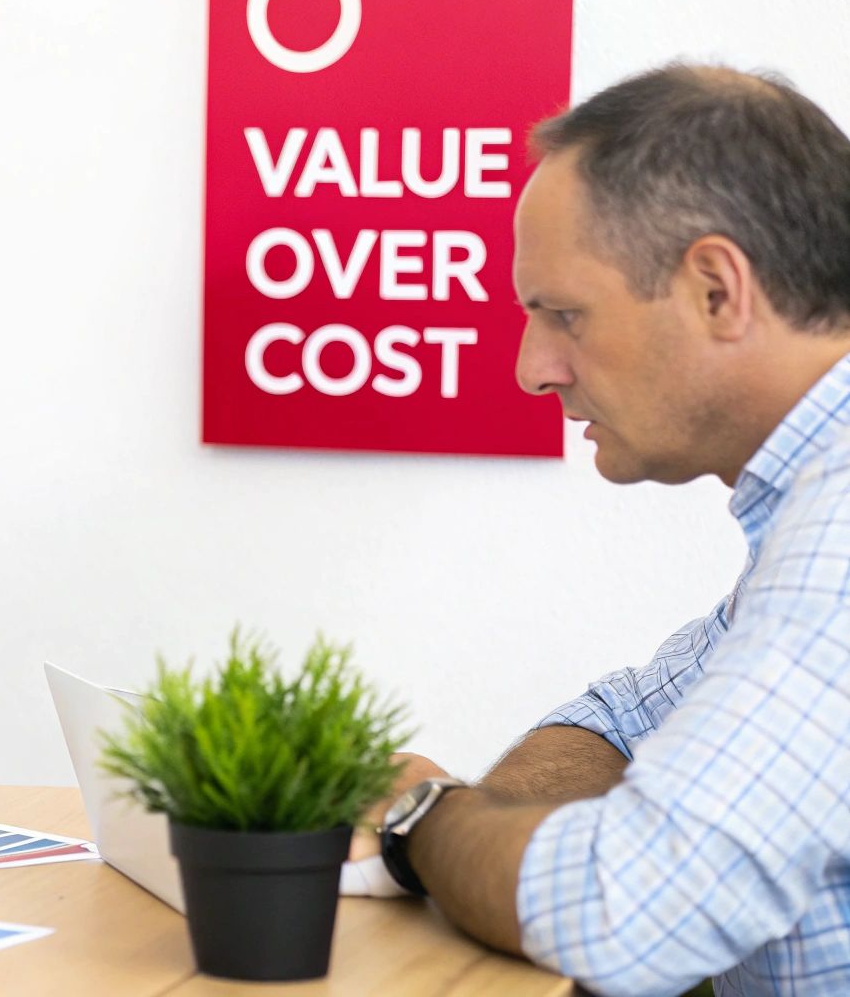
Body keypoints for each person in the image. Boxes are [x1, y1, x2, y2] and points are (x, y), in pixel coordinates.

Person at [361, 64, 850, 997]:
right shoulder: (807, 508)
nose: (532, 370)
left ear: (717, 289)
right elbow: (628, 718)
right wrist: (489, 841)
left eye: (564, 314)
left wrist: (420, 819)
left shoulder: (841, 537)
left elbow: (631, 911)